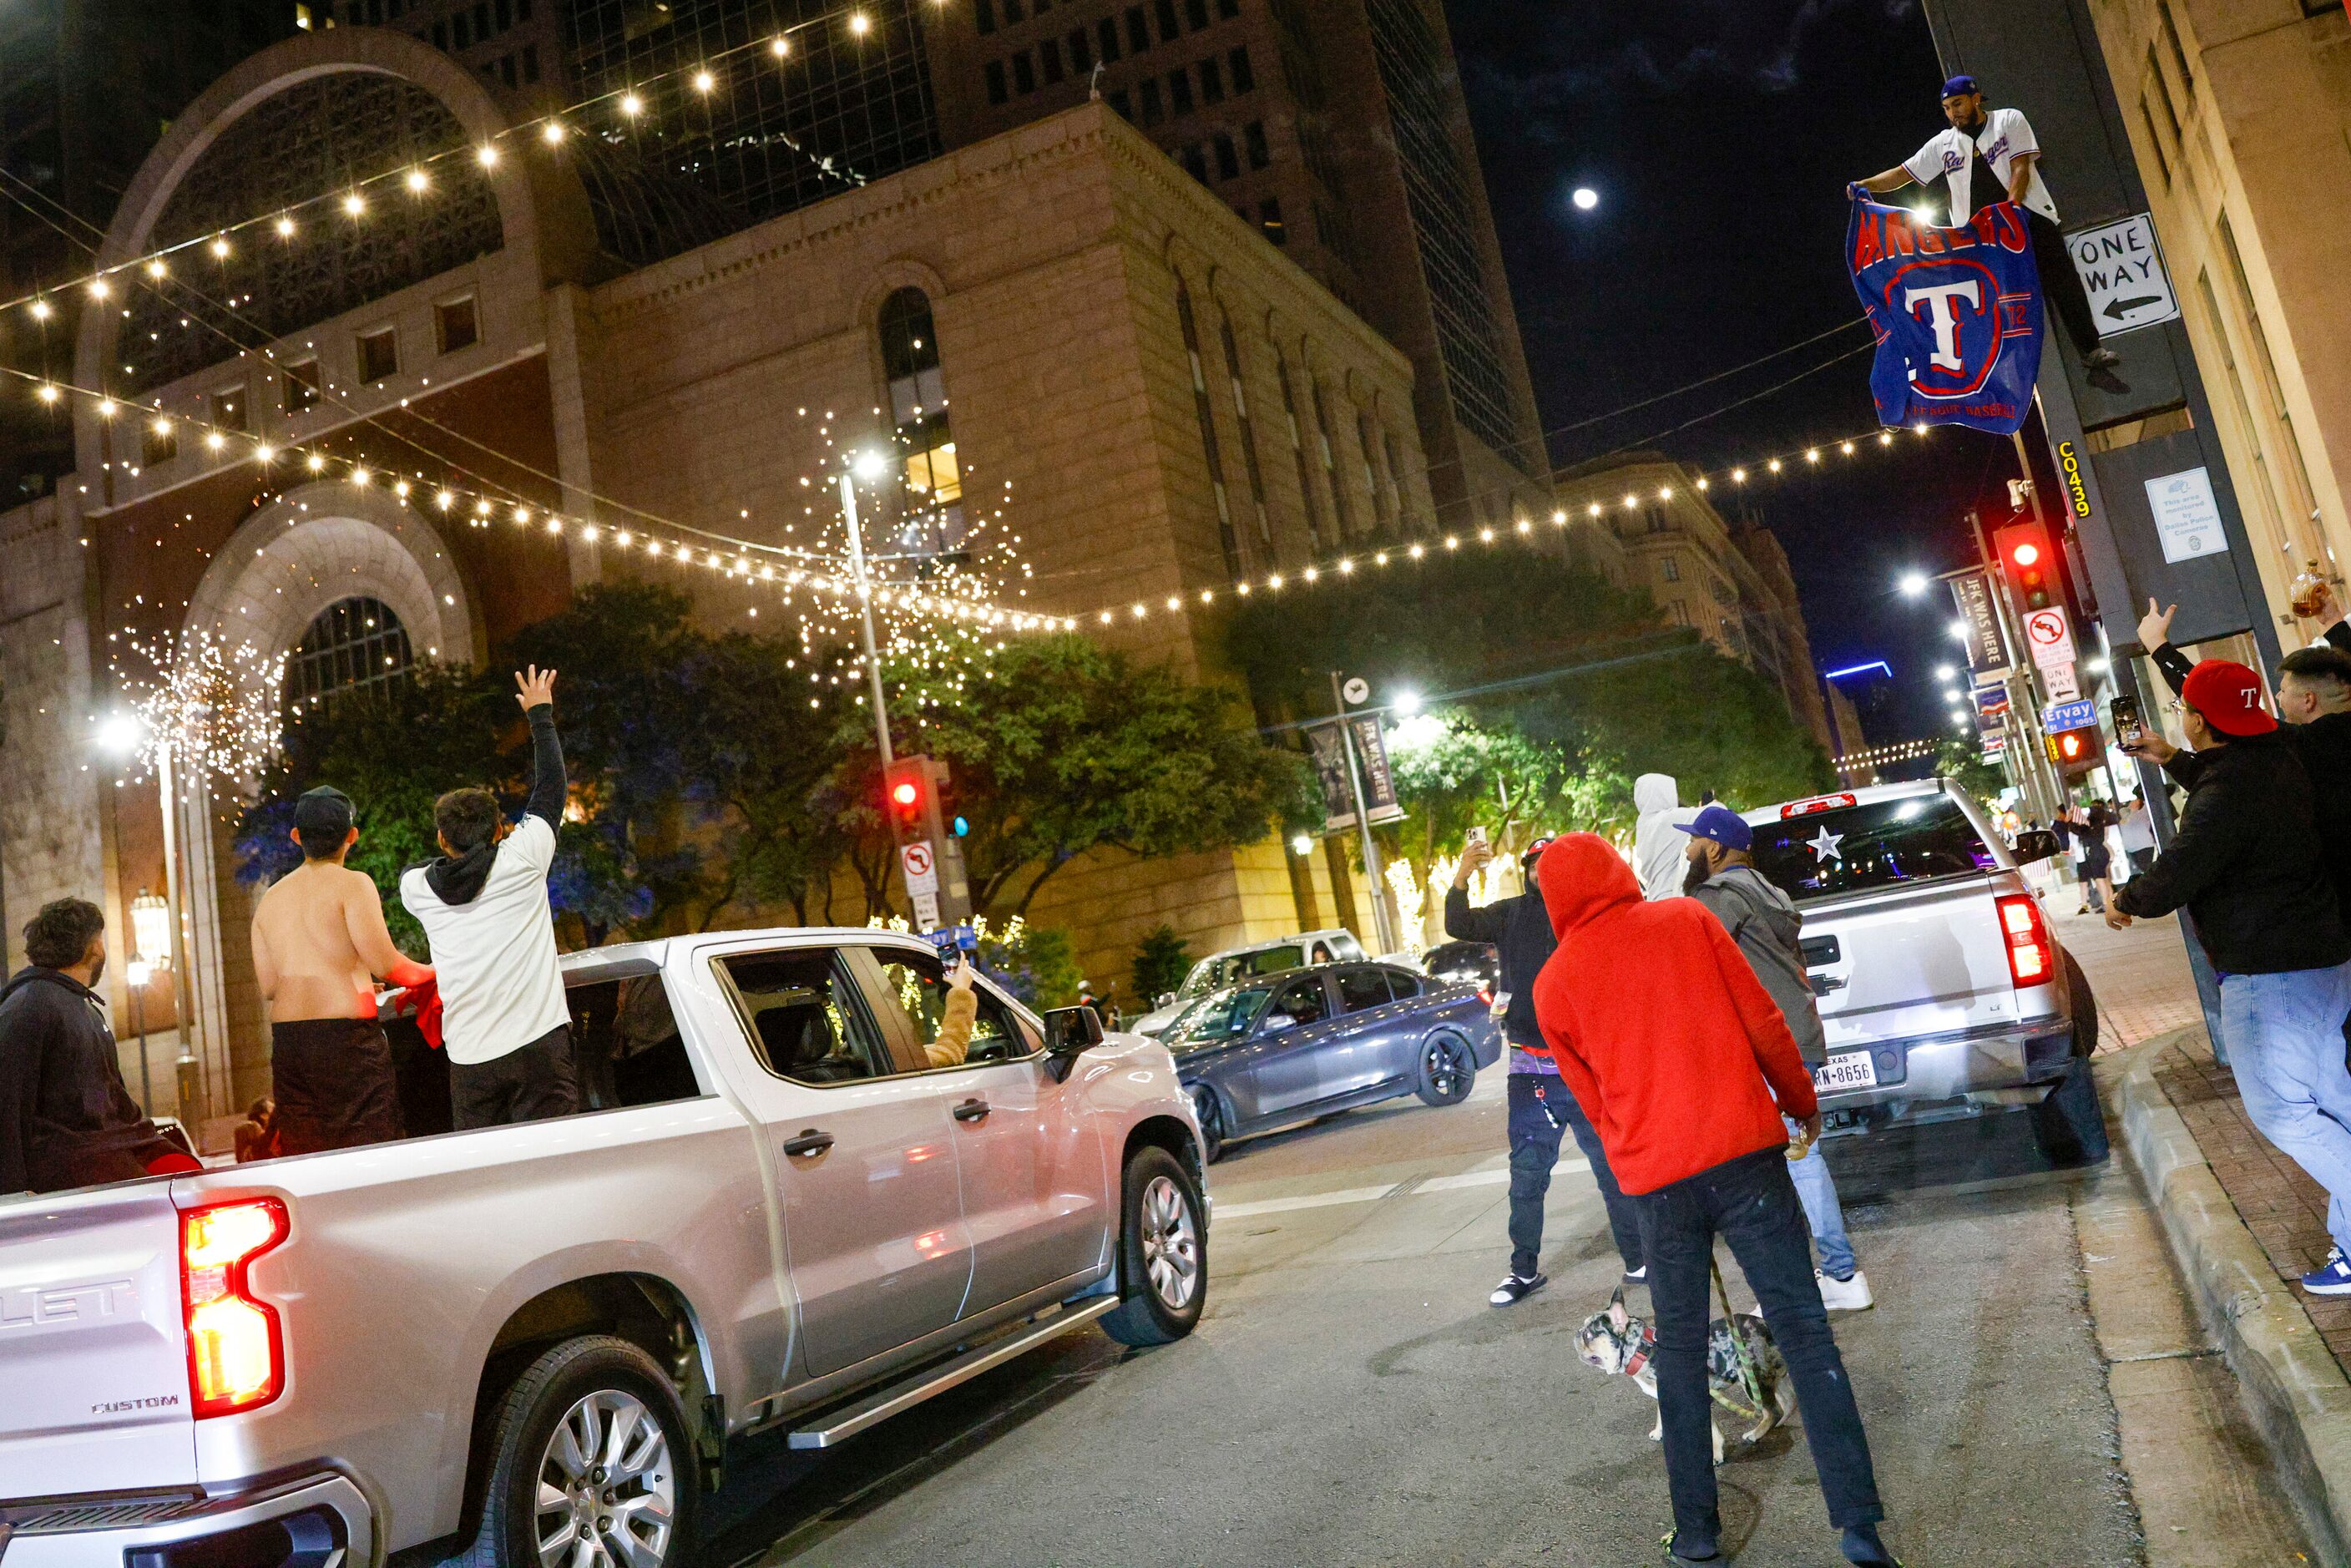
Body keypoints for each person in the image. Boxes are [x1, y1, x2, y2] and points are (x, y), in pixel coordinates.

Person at [1530, 835, 1894, 1566]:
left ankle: (1698, 1538)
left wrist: (1639, 1162)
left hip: (1658, 1189)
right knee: (1804, 1331)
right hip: (1745, 1158)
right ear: (1618, 872)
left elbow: (1596, 1107)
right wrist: (1800, 1102)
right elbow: (1764, 1021)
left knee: (1683, 1354)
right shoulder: (1687, 921)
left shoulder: (1552, 985)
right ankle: (1858, 1528)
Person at [2110, 659, 2351, 1295]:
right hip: (2323, 957)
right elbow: (2229, 785)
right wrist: (2170, 759)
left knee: (2282, 1112)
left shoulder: (2229, 791)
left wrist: (2124, 901)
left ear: (2197, 720)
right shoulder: (2275, 756)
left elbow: (2180, 871)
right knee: (2333, 1100)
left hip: (2268, 971)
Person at [1678, 805, 1873, 1312]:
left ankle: (1833, 1277)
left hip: (1766, 1044)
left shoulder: (1718, 898)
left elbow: (1694, 967)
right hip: (1795, 1036)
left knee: (1790, 1163)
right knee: (1795, 1157)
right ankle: (1830, 1275)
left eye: (1693, 841)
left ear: (1715, 848)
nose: (1687, 850)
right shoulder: (1770, 893)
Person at [1446, 832, 1646, 1308]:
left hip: (1587, 1068)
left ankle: (1639, 1258)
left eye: (1550, 863)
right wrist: (1461, 876)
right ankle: (1523, 1271)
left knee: (1611, 1169)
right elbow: (1458, 923)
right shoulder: (1511, 913)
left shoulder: (1587, 914)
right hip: (1530, 1069)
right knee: (1528, 1175)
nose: (1542, 872)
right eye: (1534, 865)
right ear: (1527, 871)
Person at [1851, 74, 2128, 395]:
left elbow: (2020, 168)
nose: (1953, 113)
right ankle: (1988, 377)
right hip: (1982, 238)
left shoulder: (2008, 119)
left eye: (1957, 104)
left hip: (2028, 219)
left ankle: (2091, 352)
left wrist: (2010, 211)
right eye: (1946, 108)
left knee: (2063, 284)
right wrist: (1866, 185)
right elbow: (1903, 173)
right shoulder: (1944, 144)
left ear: (1976, 99)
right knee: (1994, 306)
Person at [401, 666, 581, 1130]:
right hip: (539, 1046)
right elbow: (551, 791)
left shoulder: (418, 889)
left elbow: (416, 870)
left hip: (471, 1061)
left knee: (491, 1185)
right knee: (556, 1170)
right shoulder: (523, 859)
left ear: (442, 840)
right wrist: (540, 714)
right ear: (500, 830)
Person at [2139, 596, 2351, 921]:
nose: (2276, 699)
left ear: (2309, 700)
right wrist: (2335, 625)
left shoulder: (2308, 743)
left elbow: (2215, 700)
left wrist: (2159, 648)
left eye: (2282, 692)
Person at [250, 785, 434, 1155]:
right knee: (372, 1151)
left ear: (296, 837)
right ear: (351, 836)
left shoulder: (269, 901)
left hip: (289, 1046)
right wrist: (438, 972)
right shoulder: (353, 884)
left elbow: (270, 986)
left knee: (308, 1157)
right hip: (346, 1044)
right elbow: (388, 964)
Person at [0, 898, 199, 1193]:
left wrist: (151, 1140)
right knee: (165, 1193)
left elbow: (115, 1099)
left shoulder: (85, 1007)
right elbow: (9, 1102)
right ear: (92, 947)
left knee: (187, 1173)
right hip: (70, 1156)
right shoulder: (28, 1005)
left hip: (108, 1144)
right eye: (100, 939)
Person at [1631, 773, 1701, 903]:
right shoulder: (1667, 820)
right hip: (1673, 901)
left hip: (1655, 899)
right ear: (1663, 793)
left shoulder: (1643, 823)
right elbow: (1715, 813)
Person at [2118, 797, 2157, 879]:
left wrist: (2142, 799)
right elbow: (2122, 812)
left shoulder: (2142, 814)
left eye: (2135, 801)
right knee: (2145, 871)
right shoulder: (2127, 816)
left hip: (2144, 847)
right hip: (2133, 850)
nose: (2132, 802)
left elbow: (2148, 803)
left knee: (2149, 871)